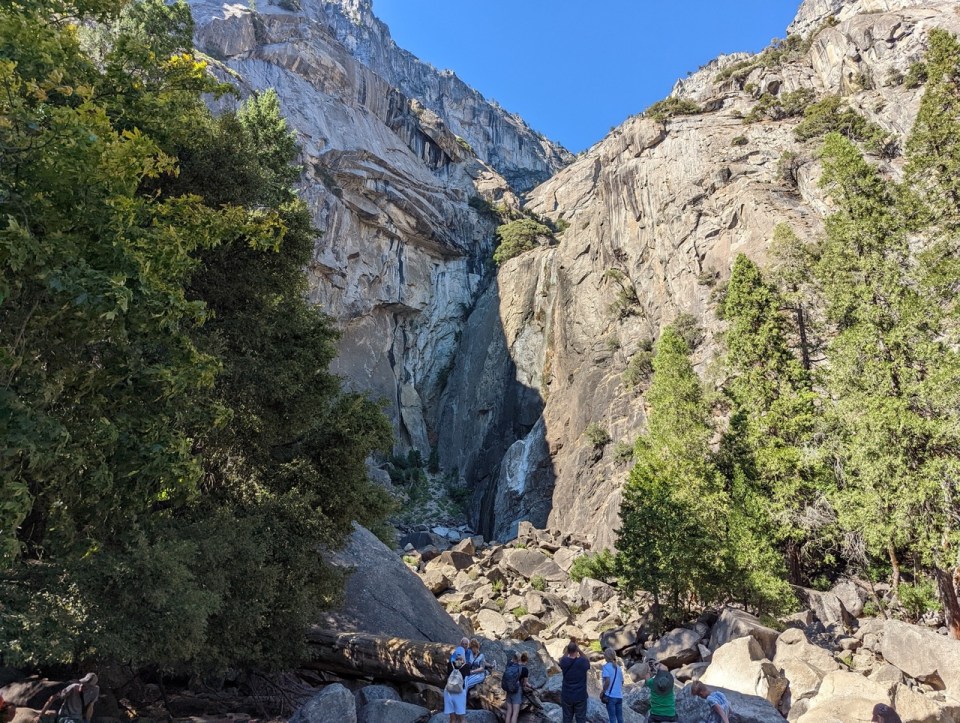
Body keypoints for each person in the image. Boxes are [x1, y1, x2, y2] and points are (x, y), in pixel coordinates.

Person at [558, 642, 590, 723]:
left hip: (567, 695)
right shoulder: (582, 661)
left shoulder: (564, 661)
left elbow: (560, 661)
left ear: (568, 651)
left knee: (567, 718)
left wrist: (567, 651)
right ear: (576, 650)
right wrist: (580, 651)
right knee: (581, 718)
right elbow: (587, 660)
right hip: (580, 695)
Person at [502, 650, 530, 723]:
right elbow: (525, 683)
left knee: (509, 712)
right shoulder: (525, 669)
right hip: (517, 692)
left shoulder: (512, 666)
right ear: (526, 660)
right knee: (515, 713)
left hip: (509, 689)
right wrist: (530, 686)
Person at [443, 654, 471, 723]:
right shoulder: (466, 666)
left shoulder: (450, 664)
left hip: (448, 691)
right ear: (463, 659)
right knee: (462, 719)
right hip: (460, 692)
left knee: (452, 719)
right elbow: (467, 674)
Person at [601, 647, 624, 723]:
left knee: (612, 718)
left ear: (606, 657)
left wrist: (603, 691)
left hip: (610, 696)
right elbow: (622, 681)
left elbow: (607, 681)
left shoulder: (606, 667)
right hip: (619, 696)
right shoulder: (618, 668)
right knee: (620, 718)